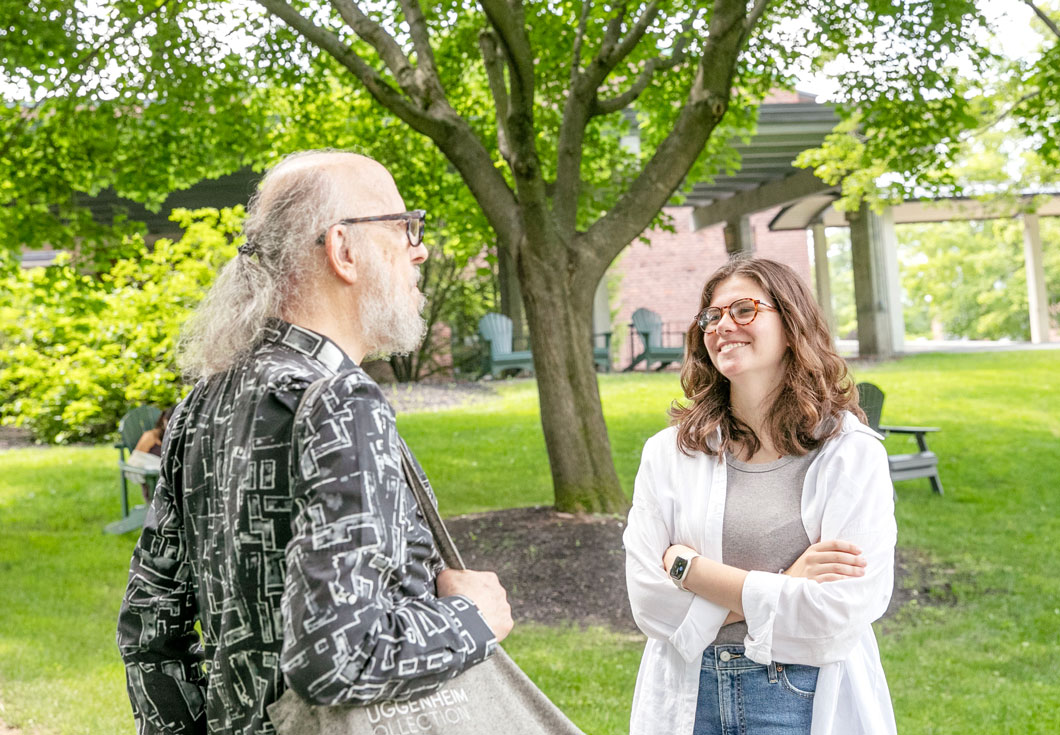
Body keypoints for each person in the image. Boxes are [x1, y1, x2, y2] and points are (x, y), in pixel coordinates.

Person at [117, 150, 513, 735]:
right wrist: (472, 617)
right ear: (343, 249)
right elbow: (338, 656)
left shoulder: (205, 400)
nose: (419, 248)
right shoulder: (340, 401)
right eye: (405, 227)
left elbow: (150, 631)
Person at [624, 258, 897, 735]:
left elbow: (839, 615)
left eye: (745, 310)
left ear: (792, 326)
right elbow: (649, 604)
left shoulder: (851, 454)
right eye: (712, 316)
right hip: (689, 700)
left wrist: (694, 572)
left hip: (799, 699)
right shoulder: (667, 453)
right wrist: (789, 580)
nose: (722, 325)